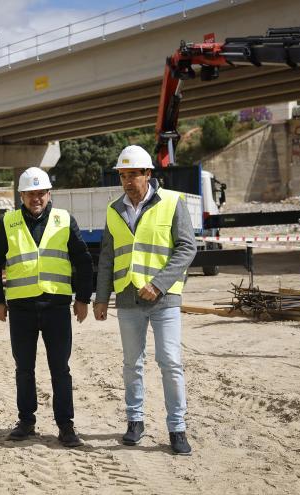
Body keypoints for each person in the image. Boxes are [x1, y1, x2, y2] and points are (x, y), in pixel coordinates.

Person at [93, 145, 197, 456]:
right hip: (127, 298)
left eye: (132, 175)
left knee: (170, 362)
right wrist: (101, 298)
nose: (126, 181)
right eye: (122, 175)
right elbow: (108, 257)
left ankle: (177, 428)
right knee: (131, 364)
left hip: (163, 298)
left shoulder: (172, 202)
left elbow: (187, 248)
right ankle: (135, 422)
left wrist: (159, 284)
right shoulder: (114, 210)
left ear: (148, 174)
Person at [0, 167, 93, 447]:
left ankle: (66, 426)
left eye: (41, 193)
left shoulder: (64, 220)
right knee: (24, 368)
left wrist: (83, 298)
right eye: (31, 193)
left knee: (60, 368)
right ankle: (26, 421)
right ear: (21, 195)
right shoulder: (8, 222)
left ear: (49, 194)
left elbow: (82, 260)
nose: (37, 198)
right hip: (21, 308)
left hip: (56, 306)